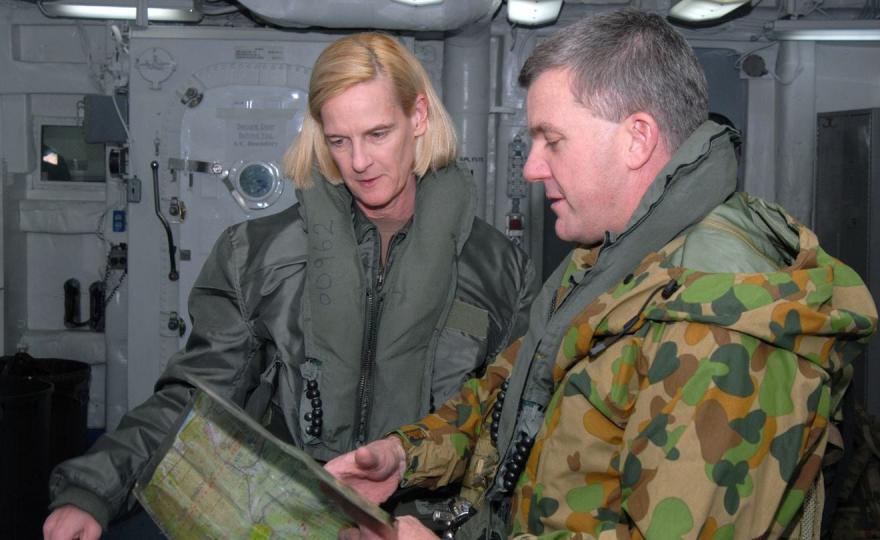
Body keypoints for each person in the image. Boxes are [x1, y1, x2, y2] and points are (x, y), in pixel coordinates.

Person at [326, 10, 877, 539]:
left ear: (636, 139)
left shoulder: (722, 317)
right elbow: (511, 391)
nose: (531, 167)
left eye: (553, 140)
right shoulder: (615, 257)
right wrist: (406, 456)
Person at [43, 32, 536, 540]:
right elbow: (198, 396)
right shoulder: (257, 253)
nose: (359, 162)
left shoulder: (502, 270)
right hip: (295, 521)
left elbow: (509, 431)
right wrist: (93, 491)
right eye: (339, 140)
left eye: (378, 133)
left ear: (418, 118)